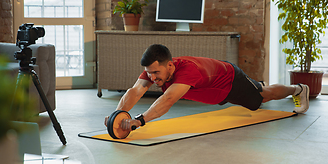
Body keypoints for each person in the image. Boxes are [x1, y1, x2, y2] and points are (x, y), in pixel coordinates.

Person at [104, 44, 309, 131]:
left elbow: (167, 100)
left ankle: (297, 89)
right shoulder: (155, 71)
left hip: (230, 81)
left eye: (156, 73)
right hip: (214, 93)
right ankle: (259, 86)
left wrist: (139, 121)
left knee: (264, 96)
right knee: (260, 92)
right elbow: (136, 91)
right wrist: (117, 115)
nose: (152, 77)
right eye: (149, 73)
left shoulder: (187, 71)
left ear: (170, 65)